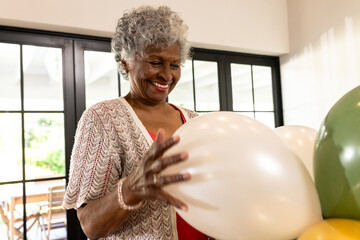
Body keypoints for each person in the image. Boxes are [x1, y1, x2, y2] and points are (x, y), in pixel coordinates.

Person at [63, 5, 212, 239]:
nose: (166, 75)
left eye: (174, 65)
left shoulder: (194, 119)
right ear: (126, 63)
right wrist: (131, 189)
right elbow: (90, 226)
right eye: (155, 62)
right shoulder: (102, 119)